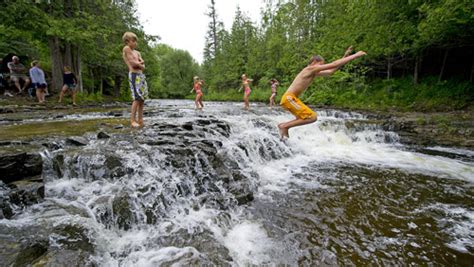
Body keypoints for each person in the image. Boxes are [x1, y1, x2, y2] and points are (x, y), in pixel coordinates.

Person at [278, 46, 366, 139]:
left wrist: (345, 56)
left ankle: (284, 136)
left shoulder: (313, 72)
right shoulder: (309, 69)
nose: (320, 68)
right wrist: (355, 55)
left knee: (303, 118)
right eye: (320, 65)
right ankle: (284, 126)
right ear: (314, 62)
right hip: (289, 98)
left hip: (291, 99)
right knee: (312, 117)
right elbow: (334, 64)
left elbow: (331, 71)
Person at [122, 31, 147, 128]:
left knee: (142, 99)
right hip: (134, 75)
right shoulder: (126, 49)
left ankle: (140, 119)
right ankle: (132, 120)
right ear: (127, 41)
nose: (136, 43)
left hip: (141, 76)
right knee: (136, 98)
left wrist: (140, 64)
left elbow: (143, 66)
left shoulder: (137, 52)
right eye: (134, 41)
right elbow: (133, 63)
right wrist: (139, 63)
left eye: (136, 41)